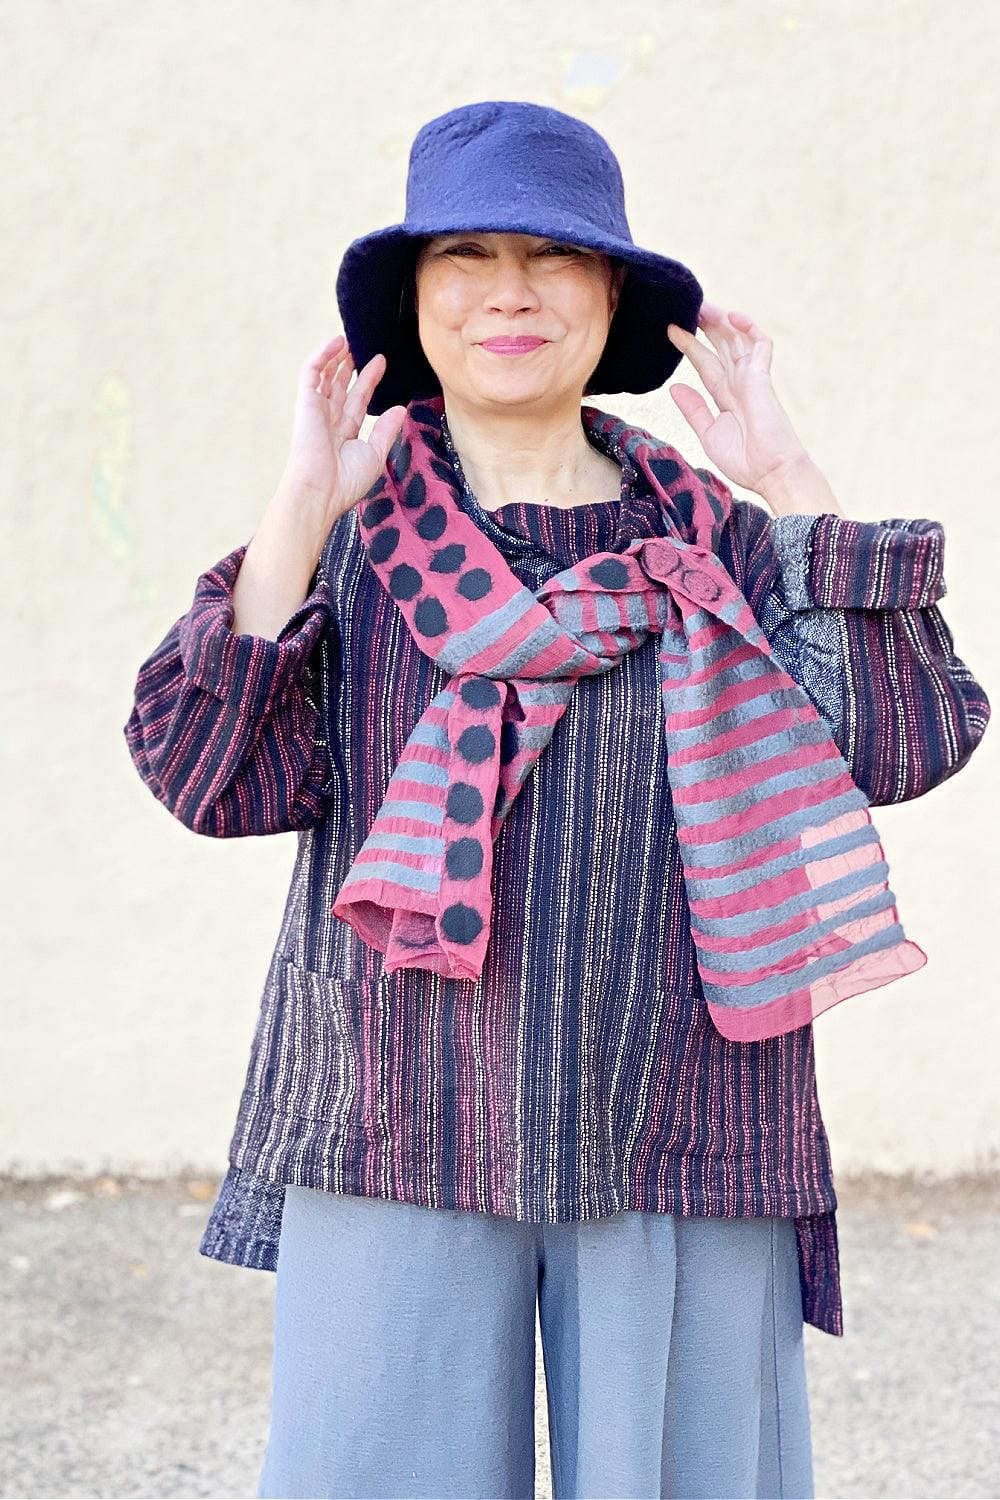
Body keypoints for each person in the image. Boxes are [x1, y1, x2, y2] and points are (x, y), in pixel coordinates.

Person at [123, 101, 990, 1499]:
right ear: (413, 303)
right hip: (395, 1110)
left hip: (687, 1115)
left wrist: (790, 486)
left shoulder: (720, 537)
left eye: (553, 254)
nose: (510, 288)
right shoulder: (351, 543)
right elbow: (205, 775)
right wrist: (299, 504)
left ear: (611, 300)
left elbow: (905, 741)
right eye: (465, 251)